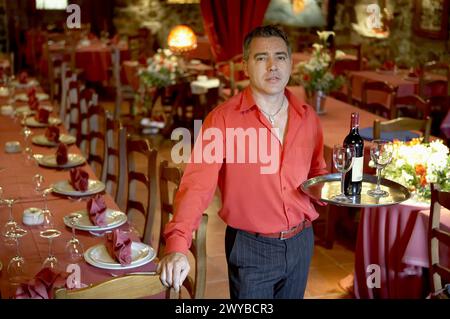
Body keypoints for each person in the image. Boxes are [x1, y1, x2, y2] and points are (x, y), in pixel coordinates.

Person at [158, 25, 327, 299]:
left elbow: (317, 172)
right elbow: (196, 186)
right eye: (261, 58)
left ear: (291, 63)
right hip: (251, 248)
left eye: (280, 57)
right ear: (246, 66)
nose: (273, 66)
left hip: (302, 242)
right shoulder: (223, 120)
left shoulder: (307, 117)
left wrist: (334, 189)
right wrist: (177, 246)